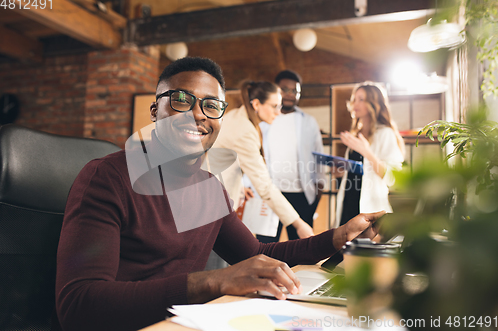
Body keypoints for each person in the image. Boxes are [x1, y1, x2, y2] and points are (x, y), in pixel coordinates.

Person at [54, 57, 383, 331]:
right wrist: (213, 282)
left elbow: (256, 251)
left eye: (211, 106)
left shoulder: (207, 187)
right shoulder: (108, 178)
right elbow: (78, 305)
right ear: (155, 111)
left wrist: (336, 237)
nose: (198, 114)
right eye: (182, 99)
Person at [214, 80, 315, 240]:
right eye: (274, 106)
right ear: (256, 104)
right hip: (213, 206)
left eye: (279, 106)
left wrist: (239, 186)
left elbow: (222, 159)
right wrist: (298, 223)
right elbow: (265, 187)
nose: (278, 112)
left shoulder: (237, 116)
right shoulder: (244, 131)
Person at [259, 70, 325, 243]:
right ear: (276, 91)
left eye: (294, 91)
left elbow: (319, 157)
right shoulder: (265, 120)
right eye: (284, 89)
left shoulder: (308, 121)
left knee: (301, 249)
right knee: (265, 246)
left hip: (302, 195)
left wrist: (318, 190)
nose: (289, 94)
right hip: (270, 194)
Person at [335, 82, 405, 228]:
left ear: (374, 103)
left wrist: (366, 152)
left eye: (361, 99)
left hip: (370, 206)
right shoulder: (356, 134)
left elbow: (393, 177)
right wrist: (342, 172)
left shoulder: (385, 133)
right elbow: (359, 172)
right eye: (354, 99)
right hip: (348, 204)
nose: (355, 103)